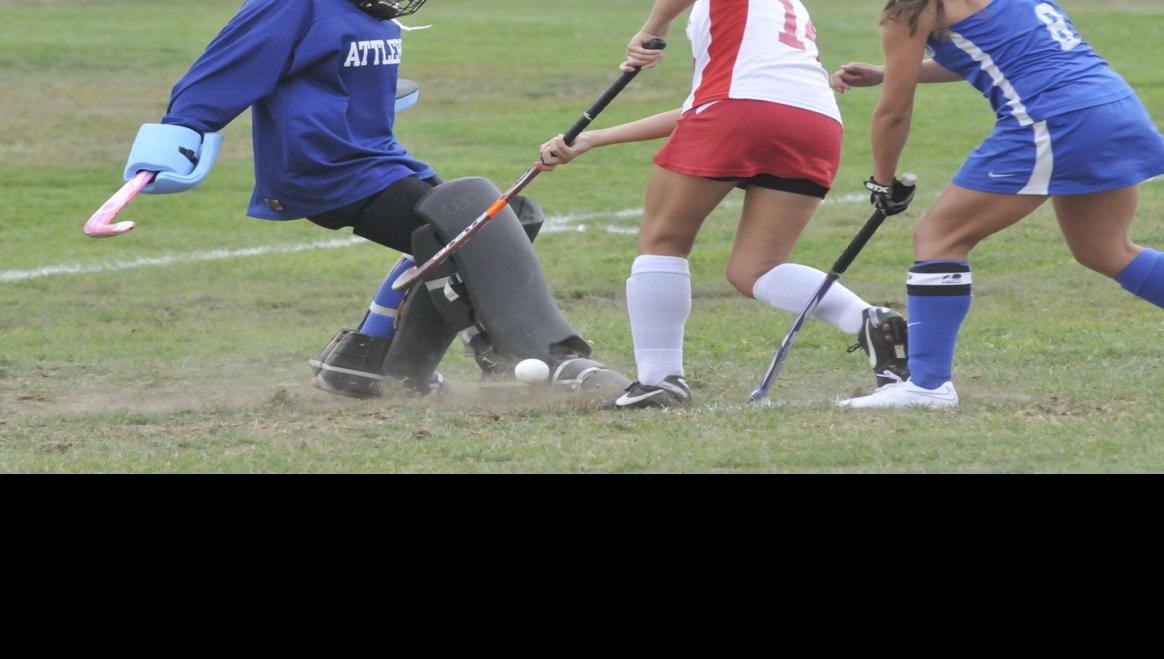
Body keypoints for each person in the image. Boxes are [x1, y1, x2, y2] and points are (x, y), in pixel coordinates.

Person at [119, 0, 613, 398]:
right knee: (464, 224)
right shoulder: (292, 6)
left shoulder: (374, 14)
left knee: (506, 217)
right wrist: (177, 136)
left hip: (377, 161)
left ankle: (372, 369)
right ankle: (541, 357)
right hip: (323, 170)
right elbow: (224, 69)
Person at [537, 0, 914, 410]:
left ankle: (659, 381)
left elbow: (729, 105)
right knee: (756, 269)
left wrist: (653, 26)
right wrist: (593, 139)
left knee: (663, 241)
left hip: (737, 112)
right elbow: (706, 105)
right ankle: (867, 319)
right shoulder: (784, 12)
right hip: (815, 123)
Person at [831, 0, 1164, 409]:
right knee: (1106, 249)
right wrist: (891, 71)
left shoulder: (912, 10)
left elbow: (894, 113)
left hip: (1053, 119)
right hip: (1111, 104)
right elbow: (997, 50)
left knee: (939, 238)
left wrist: (883, 181)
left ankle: (928, 386)